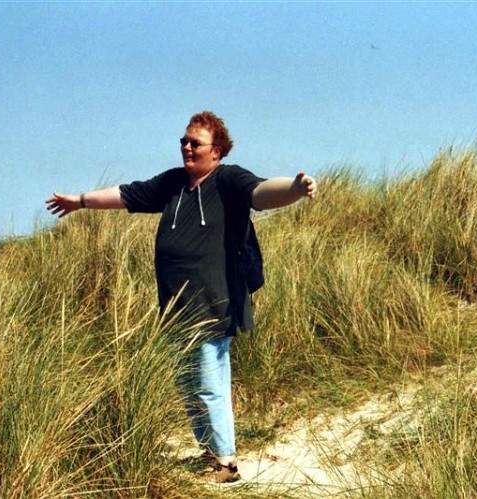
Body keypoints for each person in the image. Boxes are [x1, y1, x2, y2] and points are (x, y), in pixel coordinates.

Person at [46, 111, 316, 483]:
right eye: (184, 141)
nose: (187, 147)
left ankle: (225, 463)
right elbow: (126, 194)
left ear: (216, 151)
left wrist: (296, 189)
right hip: (175, 306)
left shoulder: (227, 179)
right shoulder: (174, 183)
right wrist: (79, 201)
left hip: (213, 302)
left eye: (195, 143)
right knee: (188, 383)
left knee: (208, 382)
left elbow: (262, 192)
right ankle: (210, 453)